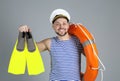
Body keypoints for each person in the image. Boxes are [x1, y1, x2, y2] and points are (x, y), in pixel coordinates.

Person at [18, 9, 84, 81]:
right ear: (53, 26)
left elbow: (92, 56)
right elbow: (30, 49)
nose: (61, 26)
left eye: (64, 23)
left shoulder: (78, 41)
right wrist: (24, 33)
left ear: (68, 25)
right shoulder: (49, 42)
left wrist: (89, 39)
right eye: (57, 24)